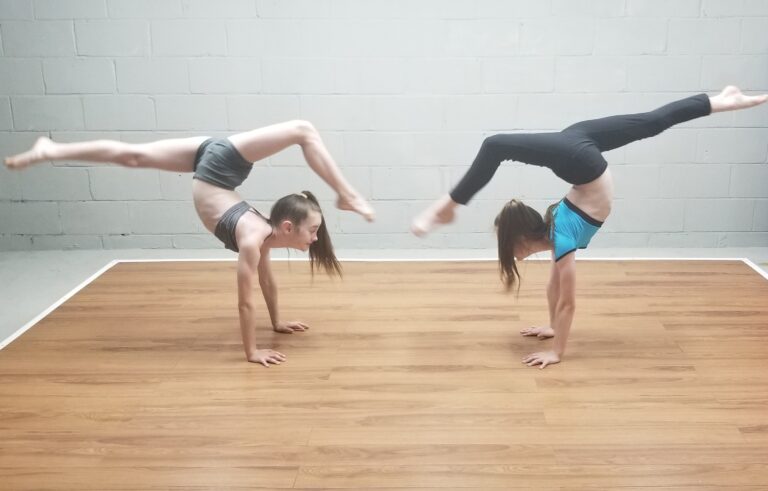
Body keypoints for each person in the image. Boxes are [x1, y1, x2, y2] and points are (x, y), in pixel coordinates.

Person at [411, 86, 768, 369]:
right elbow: (555, 289)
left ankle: (447, 207)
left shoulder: (562, 236)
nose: (515, 258)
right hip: (580, 144)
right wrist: (551, 327)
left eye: (511, 251)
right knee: (653, 121)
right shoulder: (555, 233)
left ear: (523, 241)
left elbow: (568, 303)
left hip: (581, 160)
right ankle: (719, 101)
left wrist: (557, 352)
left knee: (495, 145)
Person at [5, 120, 375, 367]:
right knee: (303, 129)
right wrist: (252, 351)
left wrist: (277, 322)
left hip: (208, 163)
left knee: (132, 156)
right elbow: (245, 300)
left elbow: (267, 281)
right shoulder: (252, 238)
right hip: (219, 168)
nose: (314, 239)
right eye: (312, 232)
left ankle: (49, 151)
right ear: (289, 226)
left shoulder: (262, 235)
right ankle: (347, 194)